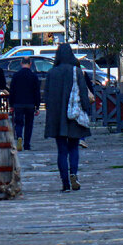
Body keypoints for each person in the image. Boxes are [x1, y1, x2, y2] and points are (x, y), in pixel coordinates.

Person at [43, 43, 91, 192]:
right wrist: (87, 111)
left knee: (62, 151)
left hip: (57, 118)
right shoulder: (76, 71)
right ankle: (73, 174)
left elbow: (47, 97)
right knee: (74, 148)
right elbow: (83, 94)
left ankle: (65, 182)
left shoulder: (51, 73)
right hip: (74, 116)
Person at [8, 58, 40, 152]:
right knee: (29, 124)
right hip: (30, 104)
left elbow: (12, 91)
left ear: (21, 63)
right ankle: (27, 144)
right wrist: (37, 106)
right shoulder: (33, 76)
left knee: (19, 123)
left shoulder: (16, 75)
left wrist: (11, 105)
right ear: (30, 64)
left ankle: (19, 137)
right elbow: (36, 92)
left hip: (18, 103)